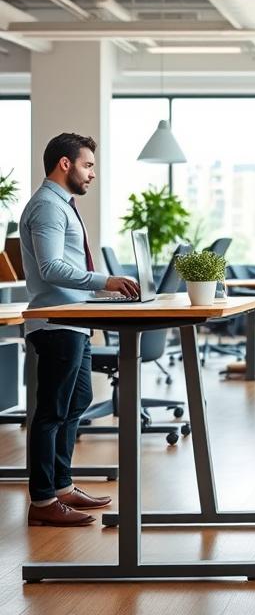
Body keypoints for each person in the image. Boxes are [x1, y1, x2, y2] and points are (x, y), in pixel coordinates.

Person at [21, 133, 140, 527]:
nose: (92, 174)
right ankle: (42, 502)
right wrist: (105, 282)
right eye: (88, 165)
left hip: (74, 320)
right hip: (55, 322)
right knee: (51, 411)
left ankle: (61, 485)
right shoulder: (47, 208)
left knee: (77, 402)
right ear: (65, 164)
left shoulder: (61, 206)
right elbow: (52, 266)